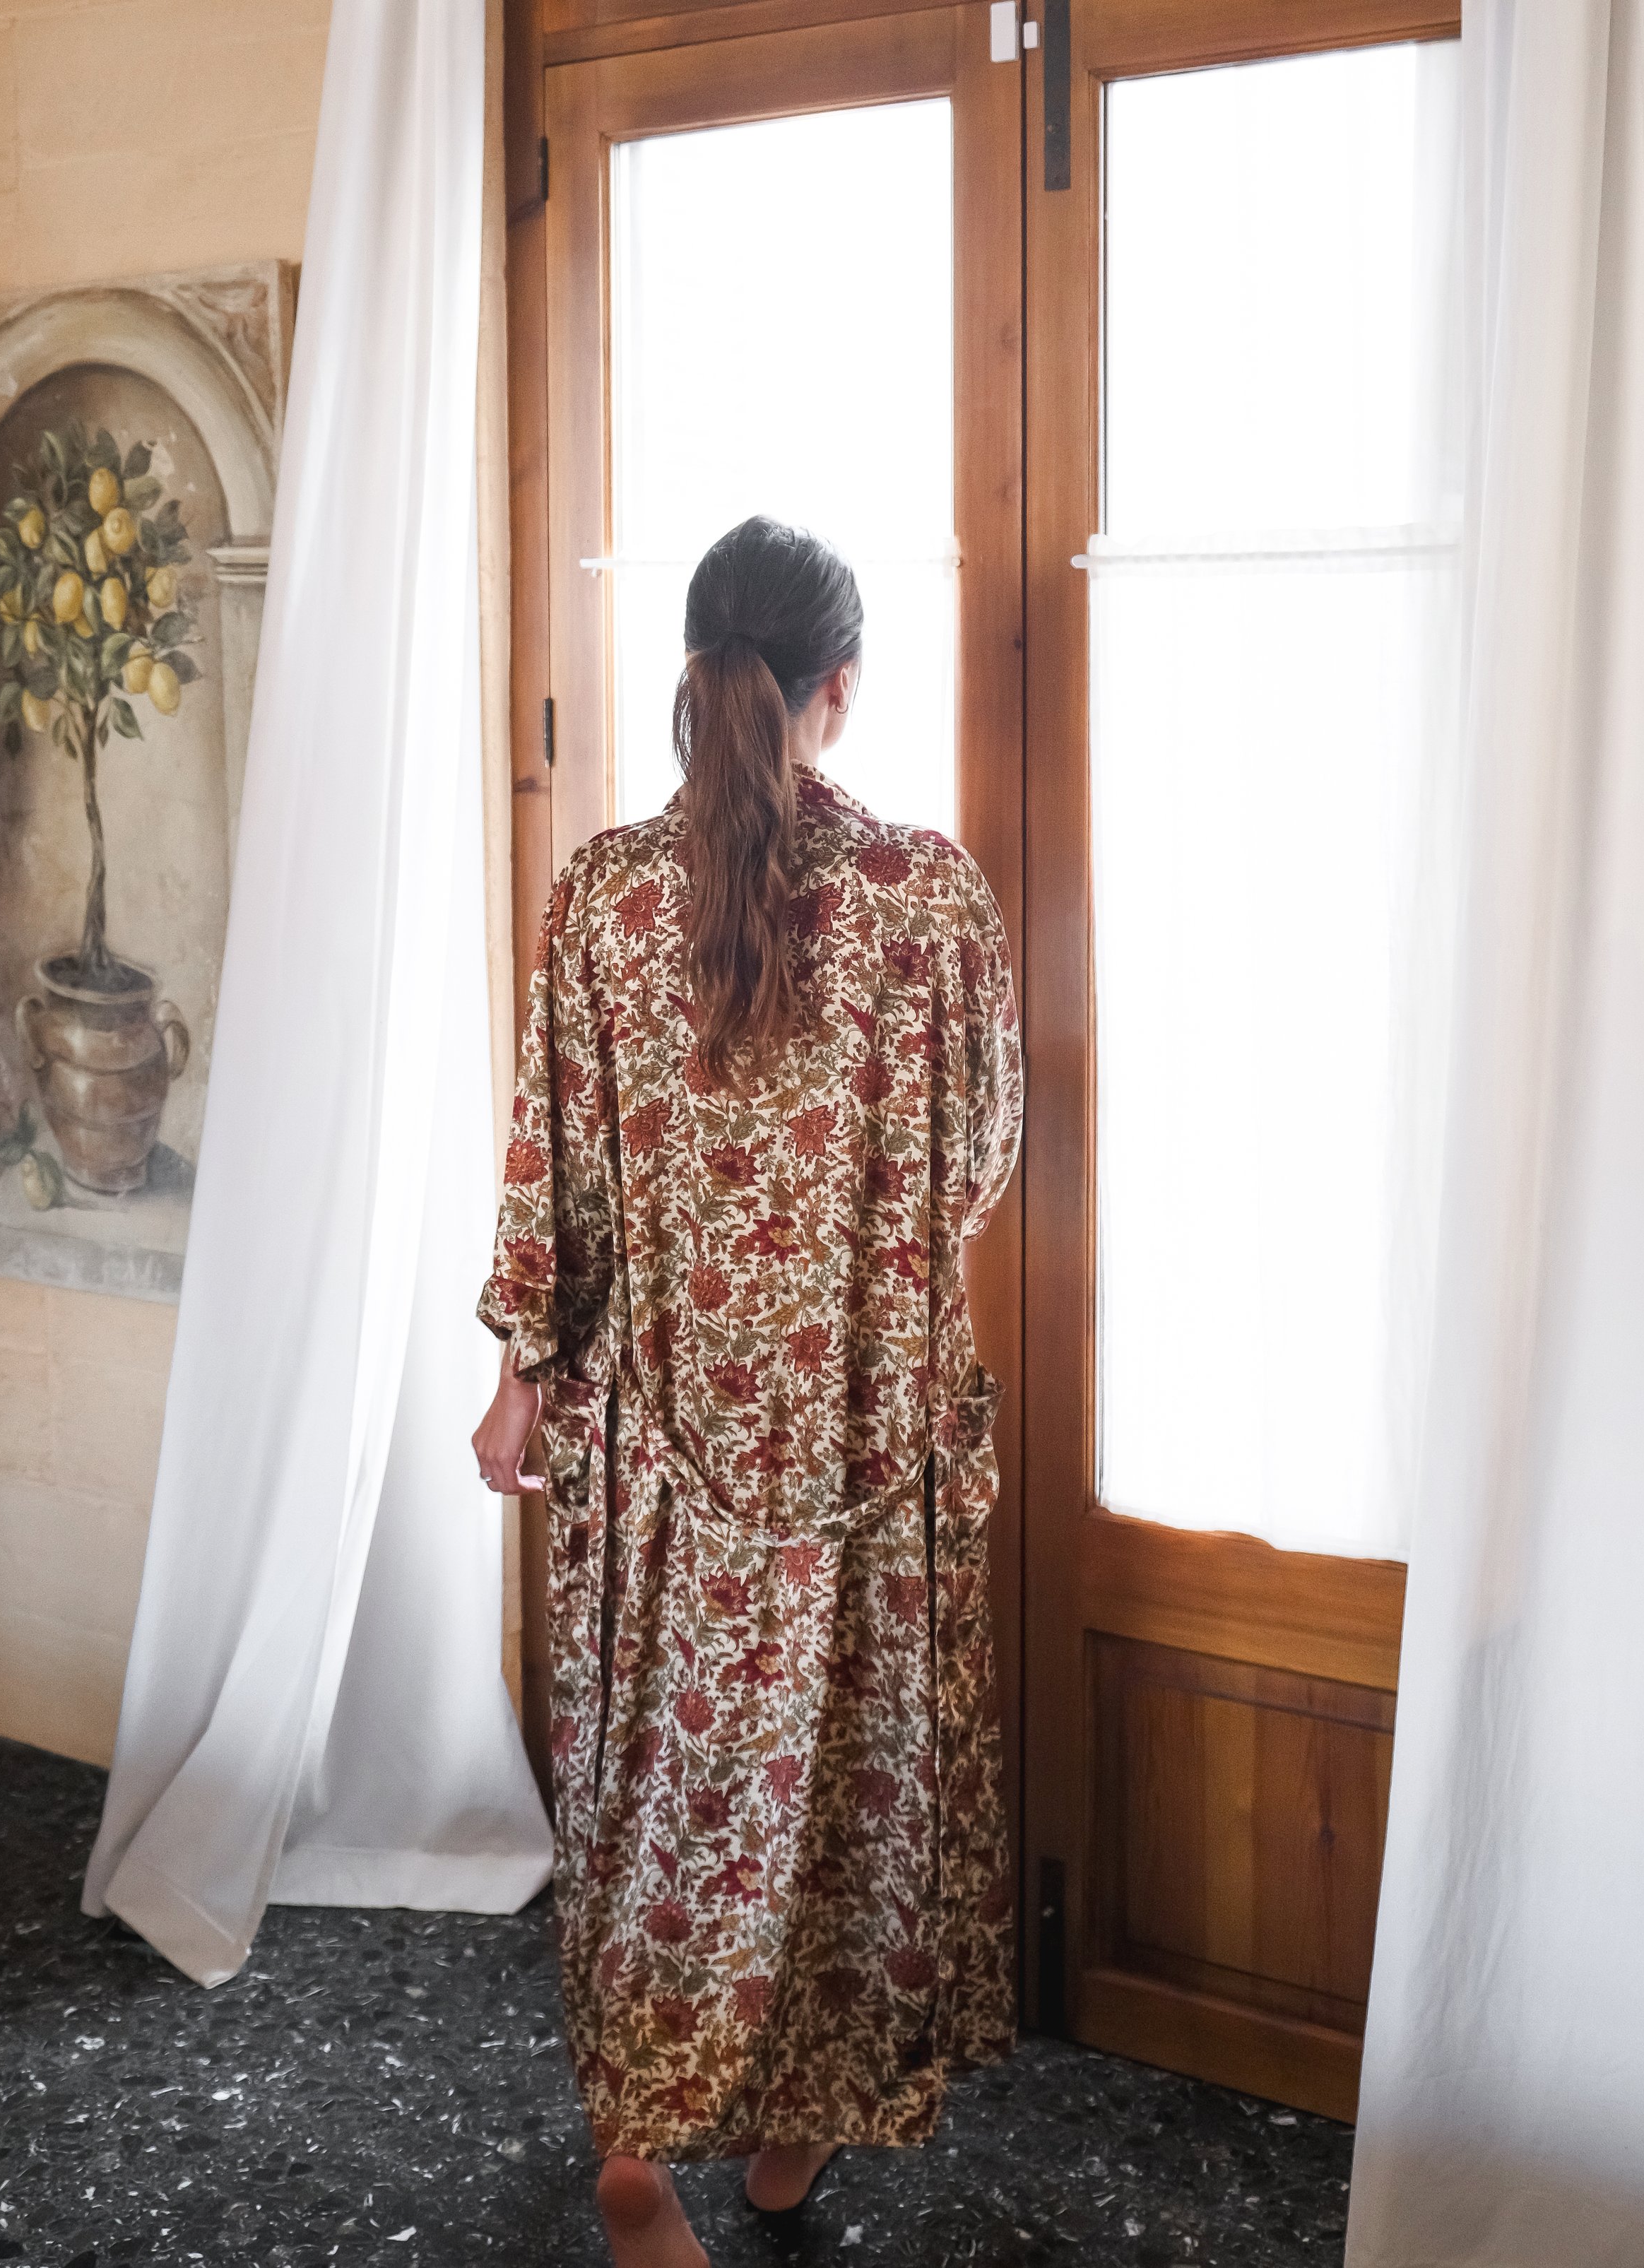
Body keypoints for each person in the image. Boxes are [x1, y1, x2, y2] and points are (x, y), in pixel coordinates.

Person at [471, 515, 1023, 2268]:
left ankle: (637, 2154)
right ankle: (796, 2117)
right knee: (844, 1793)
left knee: (659, 1788)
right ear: (837, 689)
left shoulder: (600, 895)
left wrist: (518, 1379)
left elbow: (550, 1168)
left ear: (695, 675)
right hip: (861, 1444)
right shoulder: (928, 897)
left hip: (660, 1458)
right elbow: (977, 1163)